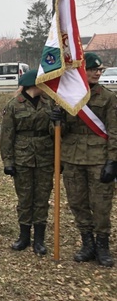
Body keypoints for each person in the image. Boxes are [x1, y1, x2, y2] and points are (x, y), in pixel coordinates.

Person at [52, 52, 116, 267]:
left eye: (100, 70)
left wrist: (112, 161)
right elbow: (61, 133)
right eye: (92, 69)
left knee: (101, 205)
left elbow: (114, 132)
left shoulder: (108, 98)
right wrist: (57, 122)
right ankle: (87, 244)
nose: (97, 73)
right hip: (73, 159)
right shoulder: (68, 98)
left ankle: (102, 246)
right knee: (78, 204)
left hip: (99, 159)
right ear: (81, 71)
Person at [0, 69, 54, 255]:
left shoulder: (50, 103)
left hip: (45, 158)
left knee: (41, 199)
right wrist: (8, 161)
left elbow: (56, 134)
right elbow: (6, 136)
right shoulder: (14, 105)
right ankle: (24, 237)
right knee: (24, 199)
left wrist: (57, 122)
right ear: (33, 85)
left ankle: (39, 240)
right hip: (22, 158)